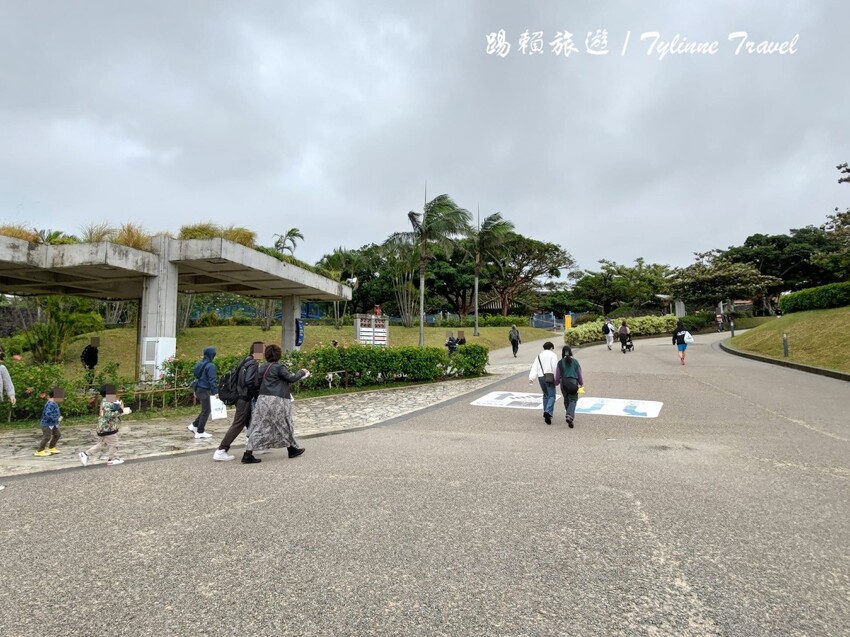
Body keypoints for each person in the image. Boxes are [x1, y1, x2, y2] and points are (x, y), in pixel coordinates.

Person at [242, 344, 311, 464]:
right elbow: (291, 378)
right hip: (278, 400)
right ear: (279, 354)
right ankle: (292, 449)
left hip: (263, 400)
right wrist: (302, 372)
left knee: (258, 426)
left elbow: (256, 384)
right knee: (285, 424)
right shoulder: (279, 367)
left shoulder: (262, 367)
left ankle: (248, 454)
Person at [213, 341, 264, 462]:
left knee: (251, 423)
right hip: (244, 398)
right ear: (257, 351)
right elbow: (249, 381)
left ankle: (254, 446)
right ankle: (221, 450)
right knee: (238, 424)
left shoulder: (245, 361)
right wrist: (256, 393)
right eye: (263, 350)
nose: (264, 353)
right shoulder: (253, 363)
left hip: (240, 396)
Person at [79, 384, 130, 467]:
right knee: (114, 443)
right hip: (108, 428)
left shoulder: (108, 401)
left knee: (103, 444)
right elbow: (110, 414)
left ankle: (85, 454)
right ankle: (112, 459)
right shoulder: (107, 403)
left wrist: (120, 408)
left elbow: (116, 409)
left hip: (104, 427)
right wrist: (122, 411)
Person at [188, 347, 217, 439]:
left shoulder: (199, 364)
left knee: (205, 409)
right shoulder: (211, 366)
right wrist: (216, 392)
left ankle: (194, 425)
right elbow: (212, 380)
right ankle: (200, 431)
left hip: (198, 389)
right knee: (206, 410)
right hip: (205, 390)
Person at [528, 341, 559, 425]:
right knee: (552, 395)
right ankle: (548, 412)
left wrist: (531, 377)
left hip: (540, 377)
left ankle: (545, 411)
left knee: (545, 395)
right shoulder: (553, 355)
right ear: (551, 347)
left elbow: (534, 367)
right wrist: (556, 378)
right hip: (549, 376)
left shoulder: (539, 356)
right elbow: (554, 367)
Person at [554, 345, 584, 428]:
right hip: (573, 382)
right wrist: (581, 383)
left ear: (562, 353)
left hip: (563, 383)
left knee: (566, 398)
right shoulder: (575, 362)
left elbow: (557, 375)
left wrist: (556, 383)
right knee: (573, 399)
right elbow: (579, 373)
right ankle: (569, 415)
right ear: (570, 352)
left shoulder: (560, 362)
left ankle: (568, 414)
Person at [35, 387, 63, 457]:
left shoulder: (54, 403)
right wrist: (57, 418)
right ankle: (40, 451)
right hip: (47, 424)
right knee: (47, 437)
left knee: (57, 434)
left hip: (53, 423)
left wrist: (58, 417)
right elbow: (48, 414)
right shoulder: (50, 404)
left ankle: (51, 447)